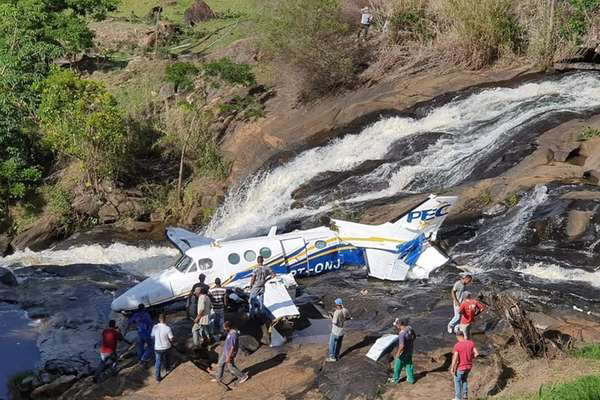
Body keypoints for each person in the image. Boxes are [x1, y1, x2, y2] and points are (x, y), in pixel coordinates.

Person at [451, 330, 479, 400]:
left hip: (461, 367)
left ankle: (457, 398)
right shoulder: (471, 343)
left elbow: (455, 358)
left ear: (457, 336)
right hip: (469, 366)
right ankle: (465, 396)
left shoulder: (457, 345)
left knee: (457, 381)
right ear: (463, 335)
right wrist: (470, 357)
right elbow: (477, 354)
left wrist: (452, 367)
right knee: (464, 380)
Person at [391, 319, 416, 384]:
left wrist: (398, 353)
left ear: (399, 325)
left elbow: (401, 346)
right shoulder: (409, 328)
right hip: (410, 350)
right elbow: (414, 336)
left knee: (397, 365)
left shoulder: (401, 334)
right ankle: (411, 379)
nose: (396, 326)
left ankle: (395, 380)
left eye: (396, 325)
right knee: (409, 364)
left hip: (403, 352)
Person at [151, 313, 174, 382]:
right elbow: (171, 338)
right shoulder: (167, 328)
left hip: (158, 348)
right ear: (165, 319)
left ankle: (158, 377)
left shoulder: (155, 327)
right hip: (166, 347)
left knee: (158, 362)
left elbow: (152, 336)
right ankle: (167, 370)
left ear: (159, 319)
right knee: (167, 358)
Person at [326, 298, 351, 362]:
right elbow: (348, 318)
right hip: (342, 330)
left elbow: (334, 322)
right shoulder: (345, 310)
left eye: (336, 304)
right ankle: (337, 356)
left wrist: (331, 317)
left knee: (332, 344)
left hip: (335, 331)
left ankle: (332, 357)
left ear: (337, 304)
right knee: (339, 344)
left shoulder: (336, 312)